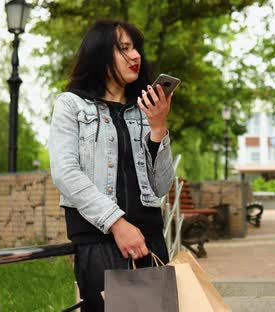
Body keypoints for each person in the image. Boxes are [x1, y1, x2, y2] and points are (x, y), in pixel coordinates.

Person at [48, 20, 175, 311]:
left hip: (150, 242)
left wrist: (158, 126)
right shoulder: (71, 105)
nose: (136, 56)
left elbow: (162, 186)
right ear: (100, 53)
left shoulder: (144, 111)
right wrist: (117, 224)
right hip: (101, 241)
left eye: (137, 49)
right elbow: (65, 173)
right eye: (124, 49)